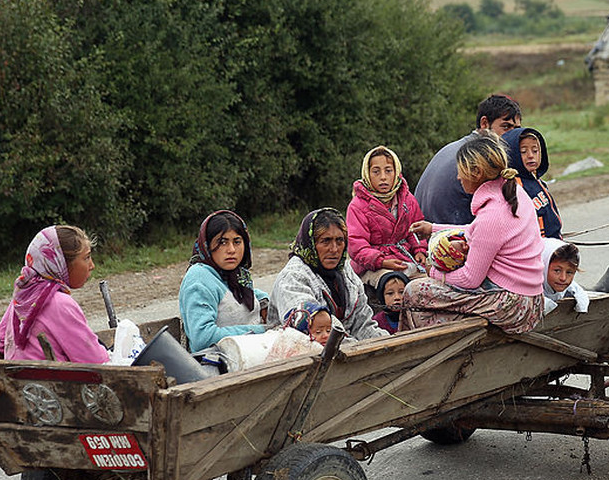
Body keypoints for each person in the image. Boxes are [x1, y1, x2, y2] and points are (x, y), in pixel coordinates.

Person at [403, 133, 544, 334]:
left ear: (476, 173)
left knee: (415, 292)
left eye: (460, 171)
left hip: (513, 305)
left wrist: (432, 272)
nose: (458, 177)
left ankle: (429, 353)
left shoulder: (492, 214)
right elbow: (479, 232)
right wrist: (432, 228)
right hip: (529, 297)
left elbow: (470, 279)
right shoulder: (512, 193)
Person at [0, 225, 109, 363]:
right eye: (86, 257)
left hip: (17, 379)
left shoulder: (24, 296)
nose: (92, 265)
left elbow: (1, 341)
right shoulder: (60, 303)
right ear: (61, 264)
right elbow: (95, 359)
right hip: (52, 381)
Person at [271, 208, 389, 341]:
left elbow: (363, 324)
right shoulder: (293, 277)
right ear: (310, 244)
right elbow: (312, 334)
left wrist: (385, 342)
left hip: (345, 347)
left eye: (339, 241)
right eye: (325, 241)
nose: (334, 249)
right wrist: (356, 348)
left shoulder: (345, 271)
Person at [414, 94, 522, 225]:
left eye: (516, 129)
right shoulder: (482, 157)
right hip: (446, 236)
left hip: (426, 231)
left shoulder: (455, 147)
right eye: (506, 127)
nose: (512, 135)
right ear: (484, 123)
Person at [178, 210, 271, 353]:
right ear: (207, 245)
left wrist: (262, 300)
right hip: (218, 365)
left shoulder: (236, 275)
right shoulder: (199, 279)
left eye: (237, 241)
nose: (231, 250)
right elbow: (202, 338)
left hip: (250, 354)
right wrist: (261, 331)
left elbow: (229, 292)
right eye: (222, 242)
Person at [345, 145, 427, 290]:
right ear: (367, 174)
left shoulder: (408, 200)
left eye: (388, 171)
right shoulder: (358, 206)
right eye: (376, 172)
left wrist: (419, 250)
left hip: (403, 258)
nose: (383, 177)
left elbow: (416, 230)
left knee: (430, 278)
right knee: (393, 283)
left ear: (396, 172)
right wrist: (381, 261)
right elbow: (357, 245)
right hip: (372, 266)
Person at [503, 127, 561, 238]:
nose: (530, 155)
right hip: (536, 247)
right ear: (511, 155)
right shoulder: (514, 186)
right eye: (523, 152)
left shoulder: (537, 180)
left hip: (553, 242)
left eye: (535, 151)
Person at [540, 239, 589, 314]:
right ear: (544, 267)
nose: (563, 278)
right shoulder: (527, 290)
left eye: (569, 272)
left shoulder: (570, 288)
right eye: (557, 271)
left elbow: (578, 291)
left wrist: (582, 305)